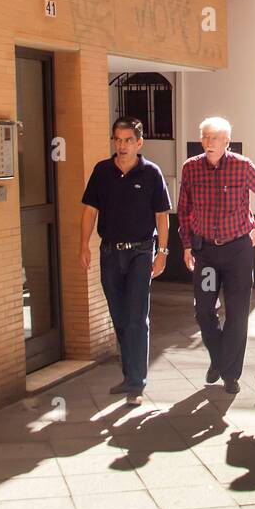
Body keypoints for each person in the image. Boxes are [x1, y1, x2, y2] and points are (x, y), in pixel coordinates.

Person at [177, 116, 255, 394]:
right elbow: (183, 209)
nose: (209, 142)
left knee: (237, 312)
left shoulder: (242, 167)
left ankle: (230, 373)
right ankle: (218, 357)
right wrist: (186, 245)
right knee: (204, 310)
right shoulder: (191, 168)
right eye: (206, 137)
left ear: (227, 142)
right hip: (206, 252)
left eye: (216, 138)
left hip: (237, 252)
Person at [80, 118, 171, 405]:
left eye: (128, 140)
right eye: (117, 140)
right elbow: (89, 211)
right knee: (119, 316)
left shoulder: (151, 173)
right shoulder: (102, 171)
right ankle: (129, 374)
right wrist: (83, 245)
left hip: (141, 253)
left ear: (139, 142)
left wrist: (163, 253)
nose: (121, 145)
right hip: (109, 252)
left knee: (136, 317)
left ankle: (136, 382)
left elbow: (162, 216)